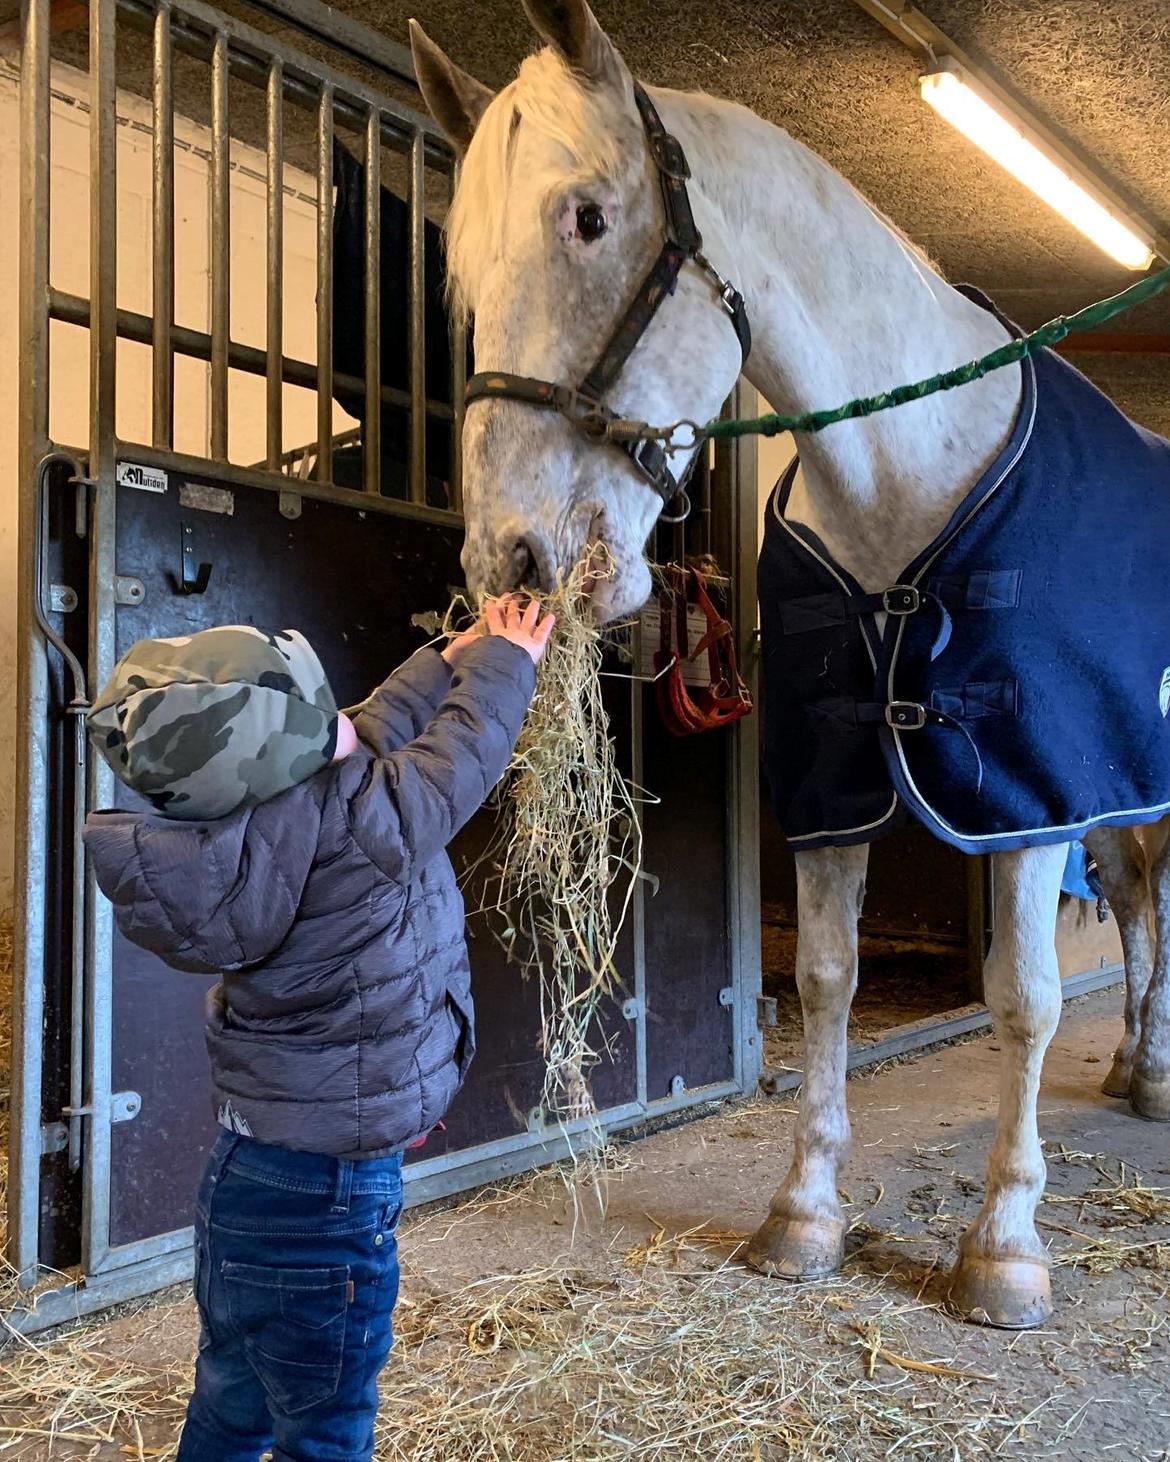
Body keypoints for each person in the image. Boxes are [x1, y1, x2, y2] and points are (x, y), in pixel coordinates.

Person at [83, 597, 554, 1462]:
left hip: (247, 1178)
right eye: (316, 715)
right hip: (332, 1202)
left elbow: (367, 727)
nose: (345, 720)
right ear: (285, 754)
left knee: (231, 1397)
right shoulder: (366, 822)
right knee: (327, 1427)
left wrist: (448, 654)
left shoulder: (260, 818)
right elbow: (459, 759)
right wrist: (506, 661)